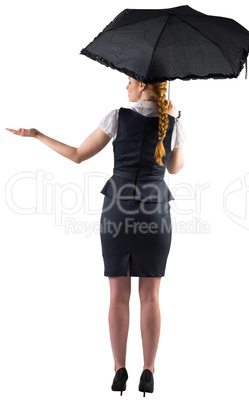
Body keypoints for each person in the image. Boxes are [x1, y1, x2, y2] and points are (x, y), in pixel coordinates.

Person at [6, 77, 185, 396]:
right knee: (151, 296)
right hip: (155, 212)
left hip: (117, 208)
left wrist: (36, 135)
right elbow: (175, 168)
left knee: (118, 294)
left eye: (129, 81)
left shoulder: (117, 117)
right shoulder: (173, 121)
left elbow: (77, 154)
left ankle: (119, 370)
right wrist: (174, 121)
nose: (126, 87)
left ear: (142, 85)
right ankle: (148, 370)